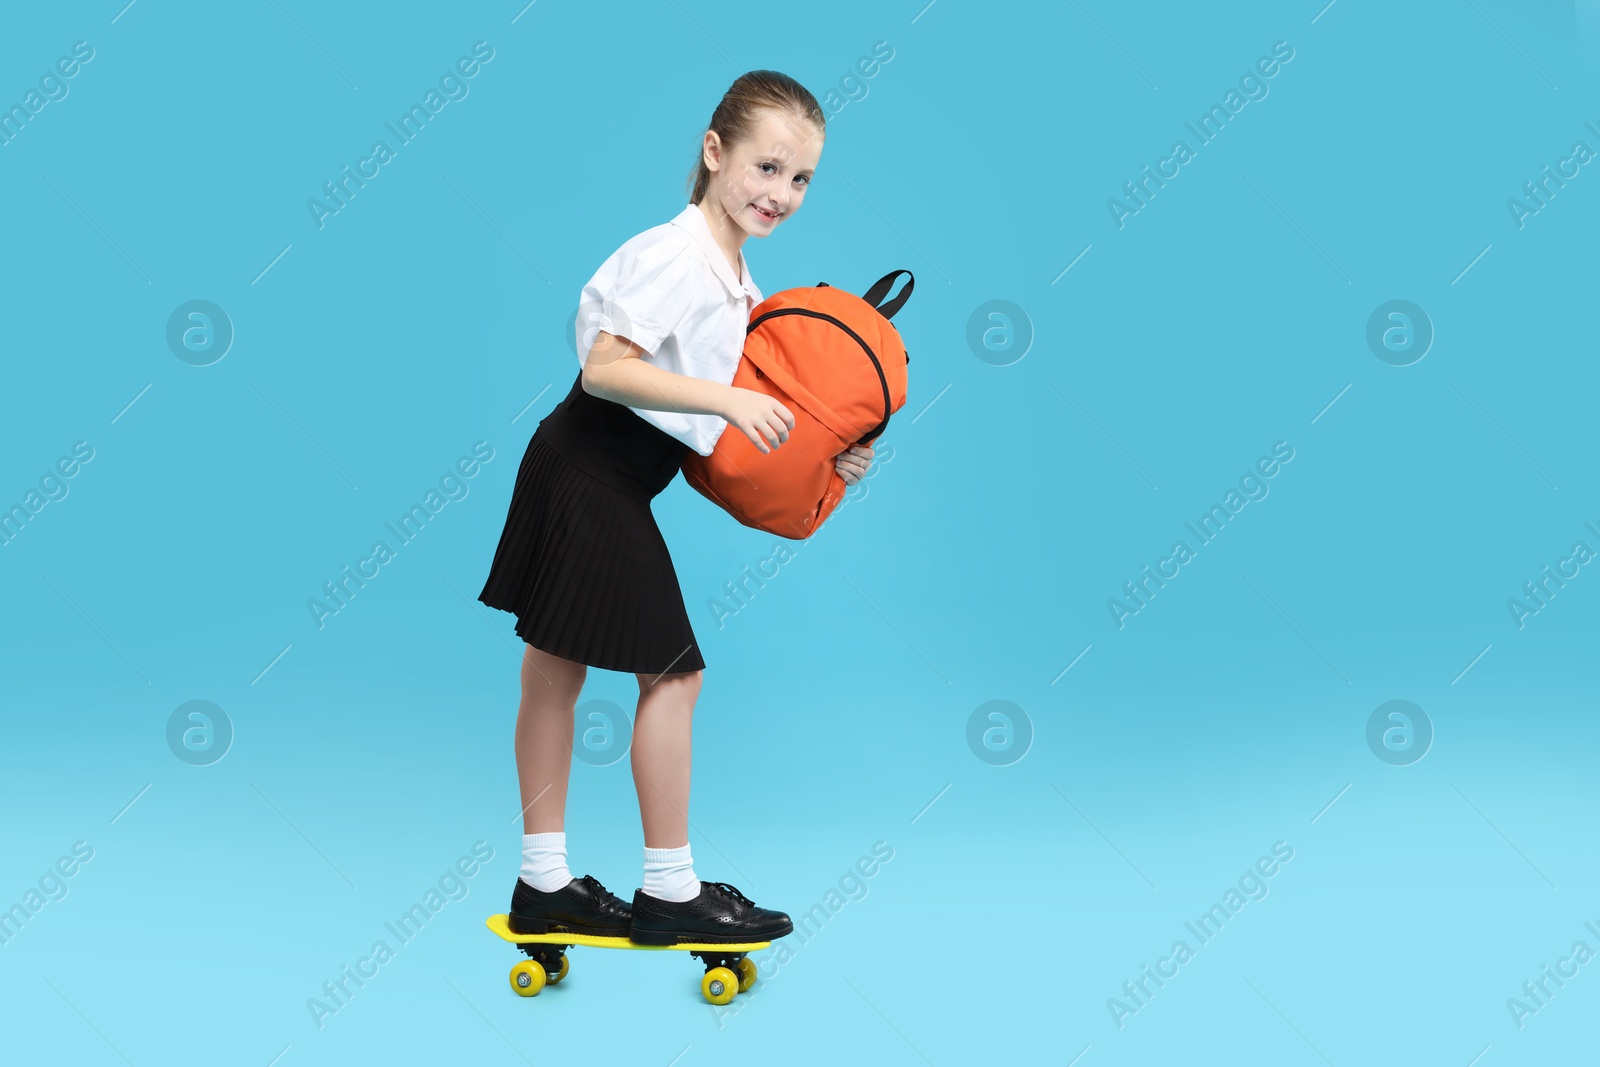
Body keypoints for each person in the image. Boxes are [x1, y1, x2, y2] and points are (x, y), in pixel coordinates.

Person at [477, 70, 875, 945]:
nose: (782, 194)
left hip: (592, 470)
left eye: (802, 179)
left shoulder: (734, 278)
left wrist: (832, 459)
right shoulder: (674, 254)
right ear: (713, 151)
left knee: (553, 670)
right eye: (767, 168)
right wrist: (728, 402)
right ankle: (670, 888)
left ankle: (543, 883)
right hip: (587, 468)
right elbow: (606, 369)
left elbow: (721, 426)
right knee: (673, 673)